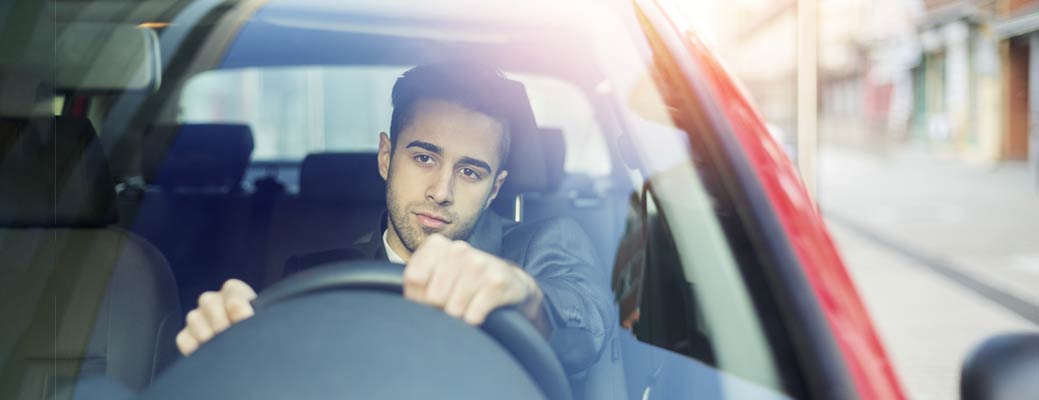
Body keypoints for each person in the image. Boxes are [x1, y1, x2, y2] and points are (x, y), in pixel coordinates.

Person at [173, 62, 616, 374]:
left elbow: (585, 328)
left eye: (469, 172)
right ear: (386, 157)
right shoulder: (313, 277)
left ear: (495, 188)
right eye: (424, 158)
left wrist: (527, 300)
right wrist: (232, 349)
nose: (441, 192)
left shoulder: (540, 248)